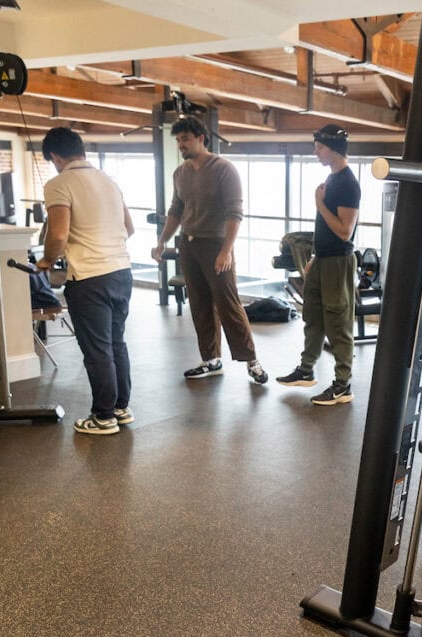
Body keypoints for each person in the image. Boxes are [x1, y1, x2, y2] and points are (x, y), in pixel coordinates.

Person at [151, 116, 268, 384]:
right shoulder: (180, 173)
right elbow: (175, 210)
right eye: (178, 141)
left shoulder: (223, 169)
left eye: (186, 140)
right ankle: (211, 359)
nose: (181, 145)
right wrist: (162, 241)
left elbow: (235, 213)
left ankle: (252, 361)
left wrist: (227, 250)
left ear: (201, 139)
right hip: (188, 244)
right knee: (200, 304)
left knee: (228, 304)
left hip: (216, 245)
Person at [37, 127, 135, 435]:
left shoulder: (59, 183)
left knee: (97, 350)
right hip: (121, 272)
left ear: (55, 157)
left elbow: (58, 234)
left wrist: (47, 261)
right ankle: (121, 408)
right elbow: (128, 228)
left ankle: (103, 417)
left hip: (90, 279)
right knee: (116, 342)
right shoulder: (108, 181)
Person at [276, 124, 361, 406]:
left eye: (319, 147)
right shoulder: (332, 178)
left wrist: (319, 204)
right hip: (323, 260)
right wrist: (315, 257)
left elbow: (345, 231)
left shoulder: (348, 183)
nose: (315, 151)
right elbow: (327, 230)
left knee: (338, 325)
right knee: (313, 317)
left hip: (338, 264)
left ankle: (342, 386)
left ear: (334, 149)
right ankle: (306, 370)